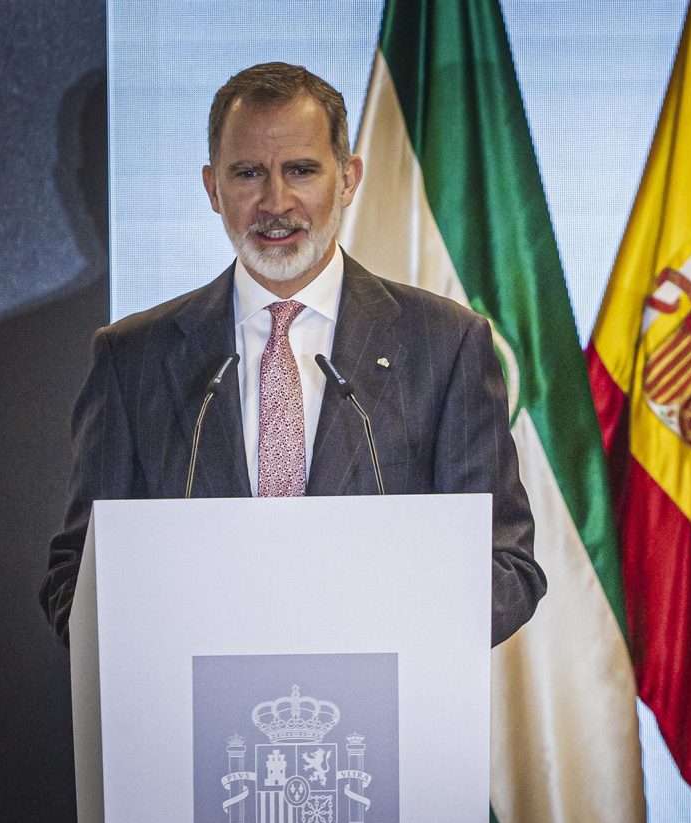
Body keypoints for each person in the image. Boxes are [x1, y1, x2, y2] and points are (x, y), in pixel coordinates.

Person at [39, 62, 545, 647]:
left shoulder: (445, 344)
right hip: (197, 719)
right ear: (212, 188)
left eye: (301, 170)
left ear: (348, 179)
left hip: (381, 715)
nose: (276, 202)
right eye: (248, 173)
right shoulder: (131, 361)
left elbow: (507, 566)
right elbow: (75, 575)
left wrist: (378, 634)